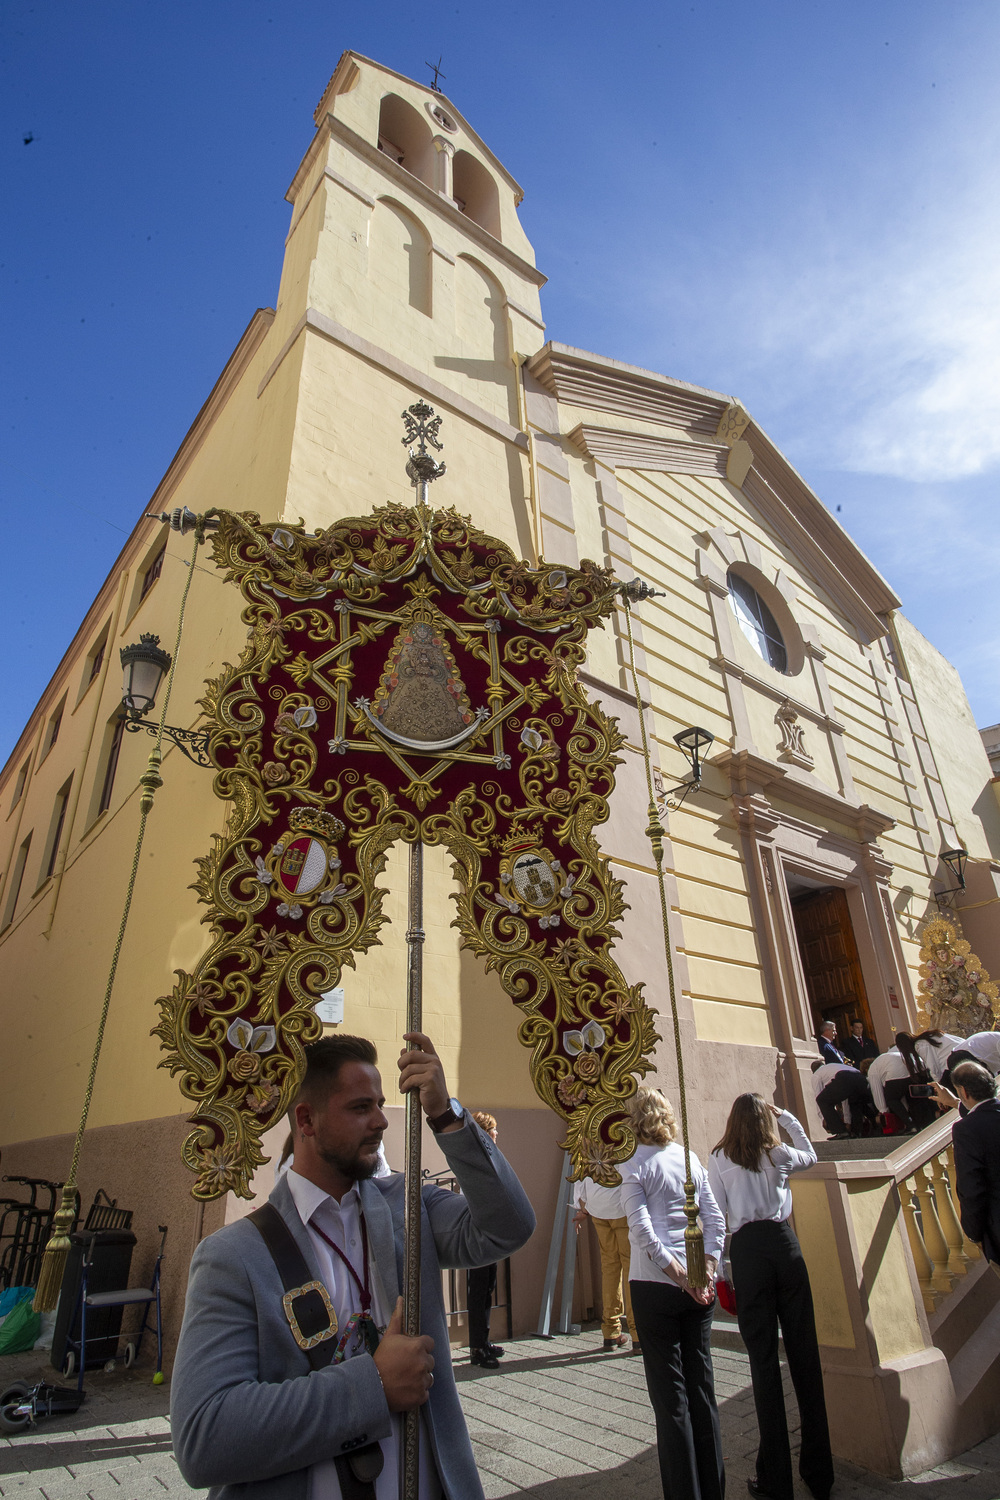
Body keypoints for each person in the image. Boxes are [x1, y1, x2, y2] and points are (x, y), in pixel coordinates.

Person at [171, 1031, 535, 1500]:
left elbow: (509, 1228)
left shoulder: (408, 1209)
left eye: (381, 1104)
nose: (382, 1121)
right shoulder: (234, 1256)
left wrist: (447, 1116)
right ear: (307, 1120)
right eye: (361, 1108)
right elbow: (205, 1438)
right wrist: (374, 1385)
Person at [708, 1096, 833, 1500]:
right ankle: (819, 1472)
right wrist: (790, 1119)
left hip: (748, 1250)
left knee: (763, 1366)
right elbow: (811, 1155)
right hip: (784, 1245)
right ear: (766, 1121)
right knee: (805, 1358)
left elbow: (717, 1213)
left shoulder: (719, 1158)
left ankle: (775, 1478)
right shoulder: (777, 1152)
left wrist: (720, 1265)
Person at [618, 1086, 726, 1500]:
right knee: (702, 1388)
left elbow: (642, 1231)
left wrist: (680, 1274)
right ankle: (713, 1488)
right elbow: (715, 1217)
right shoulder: (689, 1158)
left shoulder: (634, 1164)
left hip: (655, 1284)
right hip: (697, 1286)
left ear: (634, 1120)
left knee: (670, 1399)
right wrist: (708, 1269)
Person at [932, 1062, 1000, 1269]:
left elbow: (972, 1188)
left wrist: (973, 1233)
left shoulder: (966, 1130)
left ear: (963, 1090)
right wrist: (955, 1103)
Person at [573, 1162, 637, 1354]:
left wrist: (583, 1207)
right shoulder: (624, 1131)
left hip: (598, 1205)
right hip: (621, 1204)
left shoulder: (587, 1133)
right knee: (631, 1268)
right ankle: (637, 1333)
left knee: (609, 1267)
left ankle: (610, 1330)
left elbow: (580, 1168)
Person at [466, 1111, 505, 1371]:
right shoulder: (476, 1158)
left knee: (488, 1285)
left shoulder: (489, 1155)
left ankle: (484, 1340)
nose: (497, 1133)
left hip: (491, 1228)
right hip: (479, 1230)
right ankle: (477, 1348)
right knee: (478, 1289)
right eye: (493, 1130)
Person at [809, 1059, 873, 1137]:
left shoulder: (817, 1074)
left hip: (844, 1077)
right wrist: (848, 1121)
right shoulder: (833, 1067)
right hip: (860, 1077)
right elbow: (845, 1097)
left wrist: (824, 1118)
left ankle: (840, 1131)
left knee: (822, 1100)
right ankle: (857, 1131)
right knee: (855, 1103)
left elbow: (818, 1096)